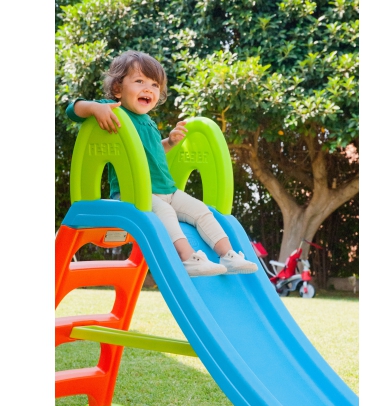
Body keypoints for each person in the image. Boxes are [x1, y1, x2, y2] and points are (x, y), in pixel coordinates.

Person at [66, 50, 258, 278]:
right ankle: (187, 258)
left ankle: (228, 255)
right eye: (139, 81)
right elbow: (73, 110)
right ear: (118, 88)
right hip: (132, 194)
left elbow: (152, 153)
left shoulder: (148, 122)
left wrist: (170, 142)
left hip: (168, 191)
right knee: (165, 212)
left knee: (201, 210)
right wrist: (95, 108)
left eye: (154, 85)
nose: (148, 89)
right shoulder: (115, 113)